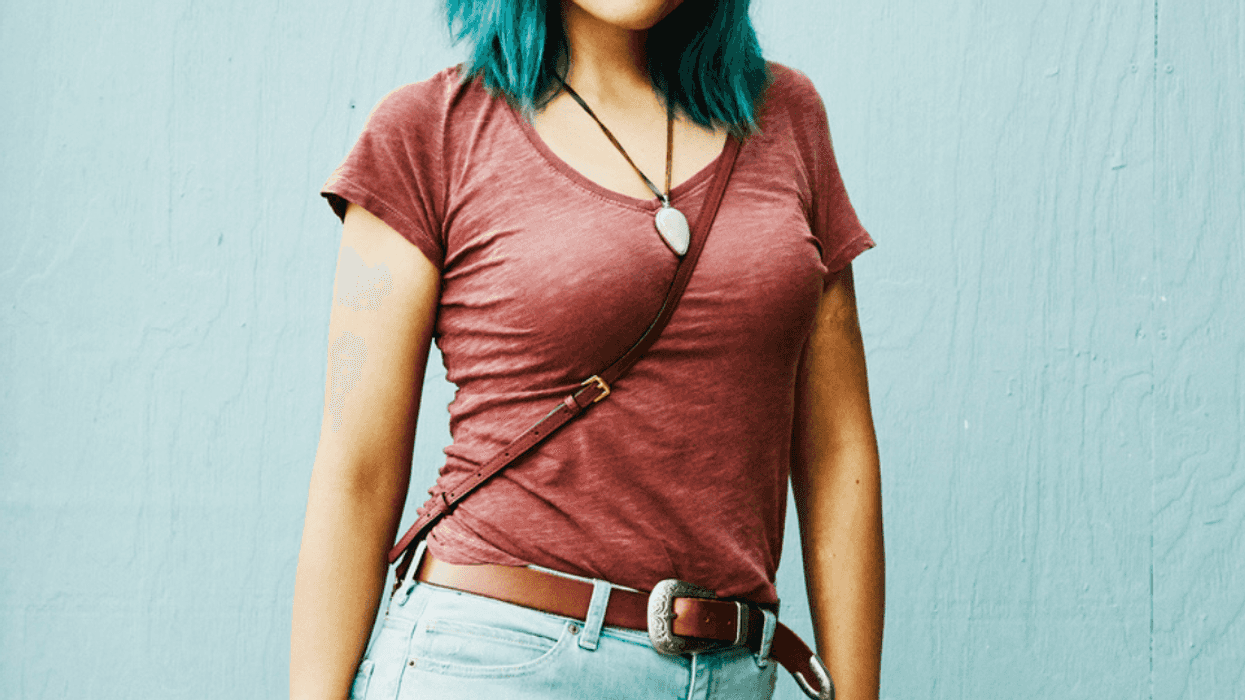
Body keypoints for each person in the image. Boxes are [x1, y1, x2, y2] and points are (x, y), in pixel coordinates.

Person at [290, 0, 884, 698]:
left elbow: (837, 451)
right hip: (494, 659)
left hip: (731, 669)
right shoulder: (430, 129)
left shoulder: (786, 117)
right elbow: (355, 473)